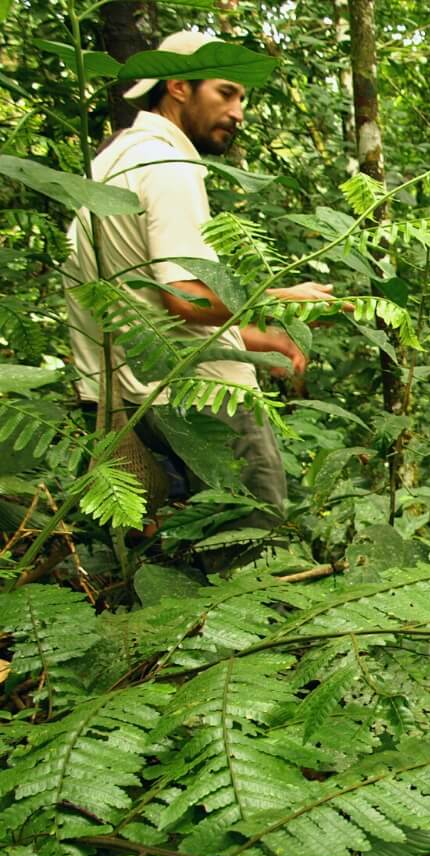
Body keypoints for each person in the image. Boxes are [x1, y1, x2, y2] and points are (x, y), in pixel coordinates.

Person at [62, 30, 337, 526]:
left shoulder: (110, 161)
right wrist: (280, 299)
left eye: (243, 99)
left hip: (125, 405)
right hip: (203, 403)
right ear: (179, 88)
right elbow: (186, 298)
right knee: (251, 548)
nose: (238, 113)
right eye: (226, 93)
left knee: (168, 563)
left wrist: (262, 341)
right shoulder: (169, 165)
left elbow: (144, 299)